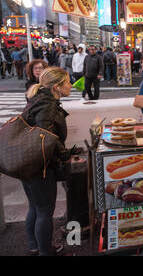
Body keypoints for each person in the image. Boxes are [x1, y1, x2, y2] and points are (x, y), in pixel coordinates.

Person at [21, 67, 74, 256]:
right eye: (67, 82)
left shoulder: (38, 99)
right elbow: (46, 136)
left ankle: (35, 246)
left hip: (28, 164)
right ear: (57, 87)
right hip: (40, 166)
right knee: (44, 211)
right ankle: (45, 252)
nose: (71, 85)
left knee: (35, 207)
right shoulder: (47, 104)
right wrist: (67, 154)